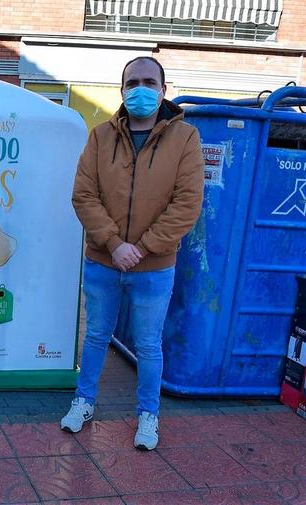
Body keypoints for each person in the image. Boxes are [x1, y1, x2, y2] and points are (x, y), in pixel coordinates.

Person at [61, 57, 204, 450]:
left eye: (148, 82)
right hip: (103, 262)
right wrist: (113, 243)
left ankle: (148, 415)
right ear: (121, 90)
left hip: (154, 267)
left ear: (163, 89)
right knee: (95, 338)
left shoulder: (186, 138)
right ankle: (84, 402)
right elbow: (83, 195)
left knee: (147, 345)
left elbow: (187, 203)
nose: (140, 89)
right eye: (132, 83)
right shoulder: (100, 136)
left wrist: (139, 249)